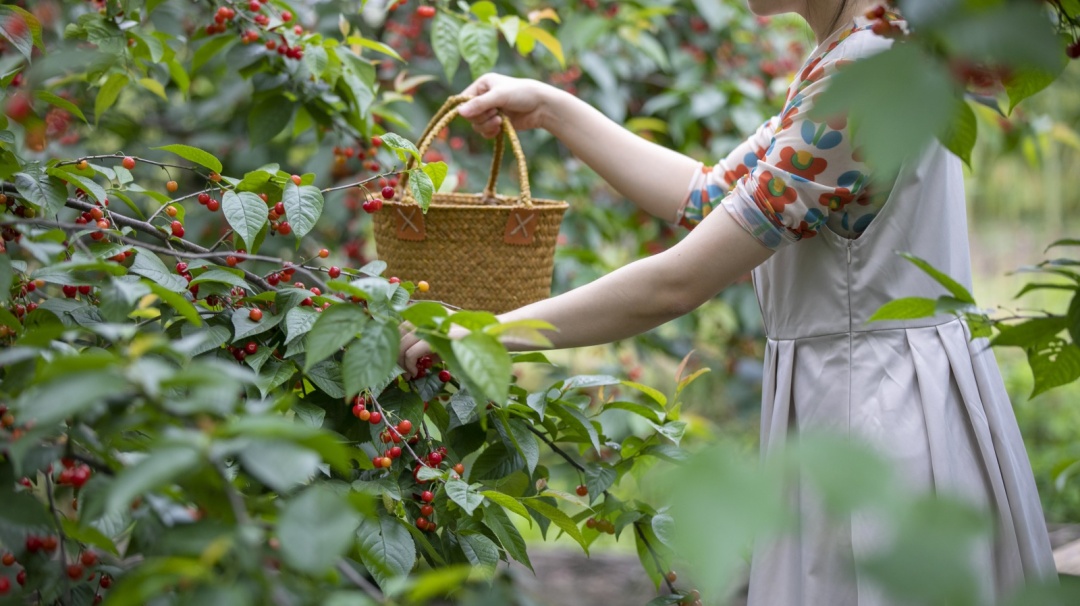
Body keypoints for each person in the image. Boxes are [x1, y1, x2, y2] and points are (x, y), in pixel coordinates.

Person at [398, 0, 1057, 603]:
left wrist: (482, 333)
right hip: (895, 391)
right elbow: (711, 196)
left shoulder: (859, 71)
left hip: (876, 413)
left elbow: (676, 283)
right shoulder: (864, 52)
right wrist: (548, 108)